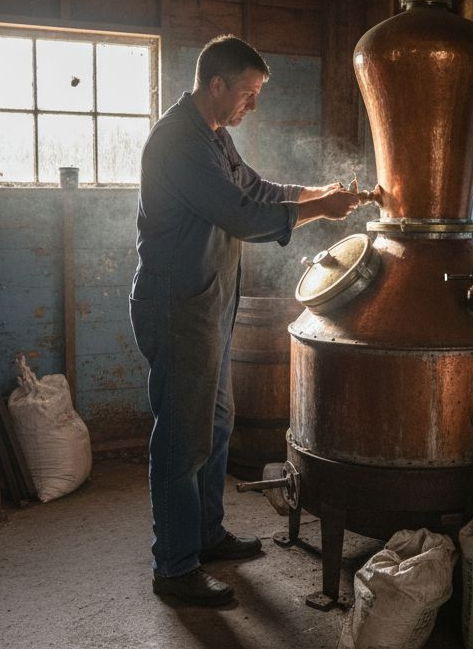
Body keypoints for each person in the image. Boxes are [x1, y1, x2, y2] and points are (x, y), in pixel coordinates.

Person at [129, 35, 359, 607]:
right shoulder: (179, 142)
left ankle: (205, 535)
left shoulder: (214, 136)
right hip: (177, 305)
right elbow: (242, 214)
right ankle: (174, 566)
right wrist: (318, 210)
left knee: (215, 423)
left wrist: (320, 193)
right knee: (182, 437)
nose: (252, 105)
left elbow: (255, 188)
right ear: (217, 85)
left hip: (206, 302)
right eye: (248, 93)